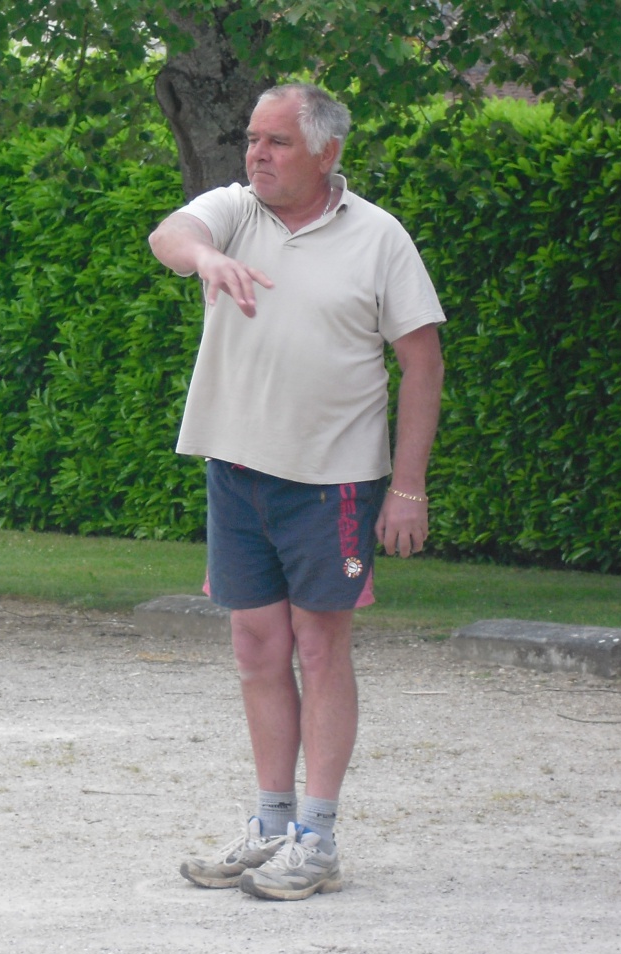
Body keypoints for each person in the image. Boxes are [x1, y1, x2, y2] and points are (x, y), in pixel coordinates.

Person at [149, 83, 445, 901]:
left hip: (333, 480)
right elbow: (170, 235)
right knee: (255, 648)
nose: (257, 154)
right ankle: (271, 824)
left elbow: (422, 362)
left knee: (321, 649)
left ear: (326, 153)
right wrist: (205, 257)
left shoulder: (379, 238)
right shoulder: (235, 212)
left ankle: (318, 835)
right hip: (235, 467)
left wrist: (408, 489)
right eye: (253, 139)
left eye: (277, 142)